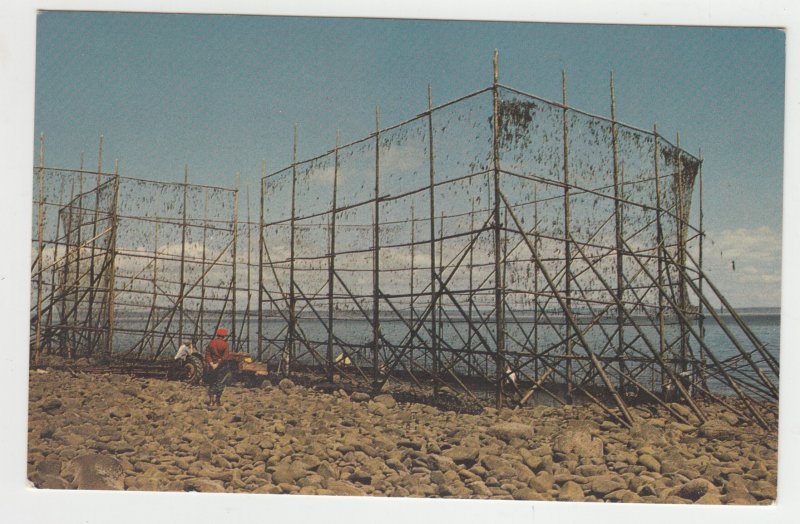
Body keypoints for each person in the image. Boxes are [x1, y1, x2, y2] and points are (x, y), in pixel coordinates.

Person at [205, 328, 233, 408]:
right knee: (220, 383)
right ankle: (217, 400)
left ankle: (211, 401)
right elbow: (225, 357)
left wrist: (211, 364)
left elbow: (207, 355)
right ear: (224, 336)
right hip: (222, 366)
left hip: (212, 366)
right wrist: (218, 364)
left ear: (217, 334)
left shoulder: (211, 343)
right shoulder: (225, 344)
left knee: (212, 382)